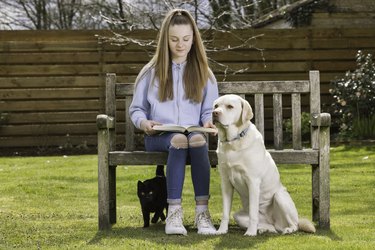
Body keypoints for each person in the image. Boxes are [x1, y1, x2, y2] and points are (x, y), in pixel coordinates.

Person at [129, 8, 219, 235]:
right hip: (159, 137)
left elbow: (208, 110)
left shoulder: (204, 72)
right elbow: (137, 109)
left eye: (186, 39)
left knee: (197, 140)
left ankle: (202, 214)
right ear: (165, 40)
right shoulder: (150, 72)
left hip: (193, 134)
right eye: (174, 39)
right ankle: (174, 214)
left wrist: (208, 121)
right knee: (179, 140)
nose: (180, 45)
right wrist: (144, 124)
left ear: (194, 39)